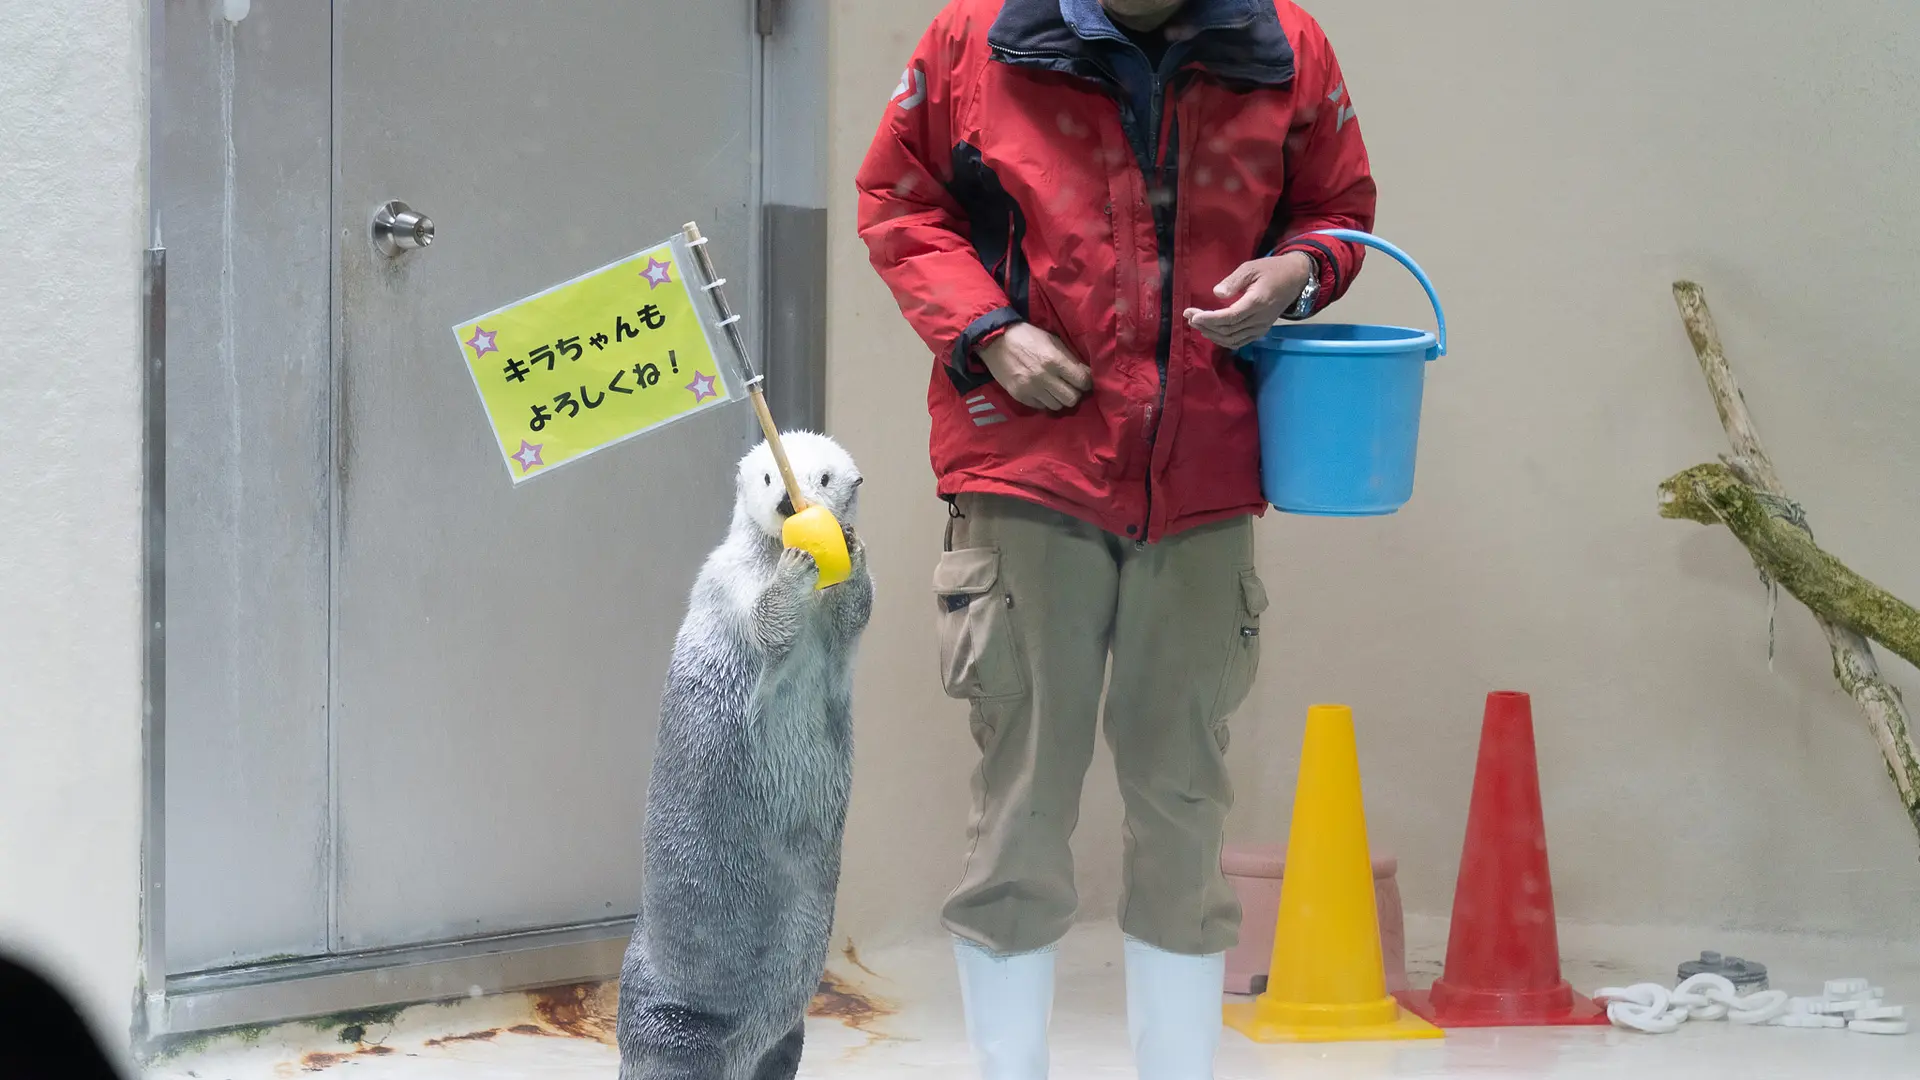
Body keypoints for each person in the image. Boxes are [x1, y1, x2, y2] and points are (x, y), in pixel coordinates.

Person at [858, 0, 1375, 1076]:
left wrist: (1298, 273)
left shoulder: (1282, 47)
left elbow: (1336, 207)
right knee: (1023, 797)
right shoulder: (975, 39)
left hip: (1204, 472)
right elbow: (900, 202)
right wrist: (989, 332)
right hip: (1029, 463)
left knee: (1184, 795)